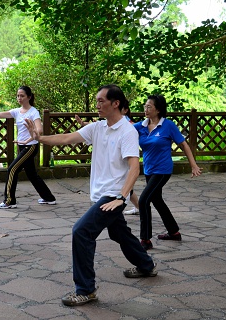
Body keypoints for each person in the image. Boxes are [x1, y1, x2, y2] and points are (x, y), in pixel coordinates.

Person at [24, 84, 157, 306]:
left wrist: (121, 198)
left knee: (82, 232)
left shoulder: (128, 131)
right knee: (119, 233)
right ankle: (146, 265)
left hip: (113, 196)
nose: (97, 105)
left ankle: (85, 289)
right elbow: (67, 138)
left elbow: (134, 167)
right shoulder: (97, 127)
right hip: (103, 196)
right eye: (97, 101)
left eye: (101, 101)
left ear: (116, 103)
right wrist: (40, 138)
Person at [134, 95, 202, 250]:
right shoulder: (141, 126)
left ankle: (145, 239)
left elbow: (184, 145)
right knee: (156, 200)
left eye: (149, 106)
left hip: (163, 170)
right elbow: (121, 128)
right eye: (145, 106)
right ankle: (174, 232)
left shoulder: (168, 126)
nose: (145, 109)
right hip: (149, 170)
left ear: (158, 109)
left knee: (144, 200)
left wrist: (193, 165)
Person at [0, 85, 56, 209]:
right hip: (22, 146)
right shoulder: (17, 111)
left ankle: (9, 201)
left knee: (12, 169)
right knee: (32, 174)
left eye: (22, 96)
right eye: (18, 95)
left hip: (30, 147)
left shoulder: (33, 112)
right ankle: (49, 197)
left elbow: (39, 130)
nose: (19, 98)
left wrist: (28, 140)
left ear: (29, 97)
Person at [74, 100, 140, 215]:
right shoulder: (108, 123)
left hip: (118, 176)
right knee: (117, 226)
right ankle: (140, 208)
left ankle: (141, 208)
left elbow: (133, 127)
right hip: (112, 179)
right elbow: (99, 127)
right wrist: (85, 125)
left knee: (127, 189)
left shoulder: (127, 125)